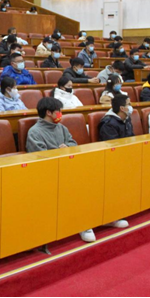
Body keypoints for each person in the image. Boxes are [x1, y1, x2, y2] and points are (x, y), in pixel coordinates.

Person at [26, 98, 94, 242]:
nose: (60, 114)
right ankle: (83, 224)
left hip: (68, 167)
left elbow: (73, 143)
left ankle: (98, 218)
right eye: (59, 111)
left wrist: (67, 148)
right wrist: (59, 152)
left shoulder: (61, 128)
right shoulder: (34, 132)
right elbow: (40, 157)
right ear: (49, 112)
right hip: (48, 173)